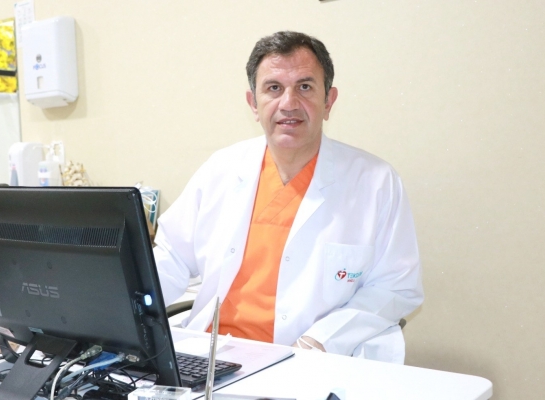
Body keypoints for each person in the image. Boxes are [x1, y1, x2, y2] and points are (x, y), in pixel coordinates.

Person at [154, 31, 423, 363]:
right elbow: (170, 259)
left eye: (305, 87)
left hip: (309, 360)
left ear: (329, 101)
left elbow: (396, 287)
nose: (289, 103)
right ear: (253, 103)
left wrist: (320, 340)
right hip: (210, 356)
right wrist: (124, 313)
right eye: (273, 88)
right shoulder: (221, 169)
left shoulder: (375, 182)